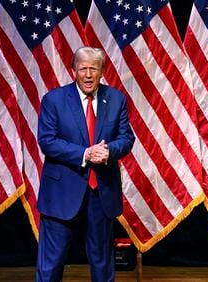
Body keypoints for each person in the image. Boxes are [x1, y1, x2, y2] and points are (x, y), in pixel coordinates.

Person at [36, 46, 135, 281]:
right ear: (73, 70)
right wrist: (86, 154)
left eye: (94, 69)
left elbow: (126, 138)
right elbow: (47, 141)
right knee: (51, 263)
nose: (88, 75)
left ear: (102, 71)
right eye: (83, 69)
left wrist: (109, 151)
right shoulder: (54, 100)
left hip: (101, 191)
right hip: (62, 192)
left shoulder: (116, 99)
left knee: (102, 262)